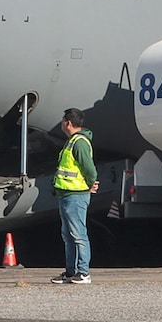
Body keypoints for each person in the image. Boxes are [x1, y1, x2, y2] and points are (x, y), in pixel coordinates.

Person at [50, 108, 98, 285]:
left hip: (75, 195)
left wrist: (90, 183)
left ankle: (83, 272)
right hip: (66, 194)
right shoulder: (72, 141)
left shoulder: (79, 142)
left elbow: (89, 168)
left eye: (63, 120)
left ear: (68, 122)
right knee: (69, 235)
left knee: (78, 234)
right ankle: (71, 272)